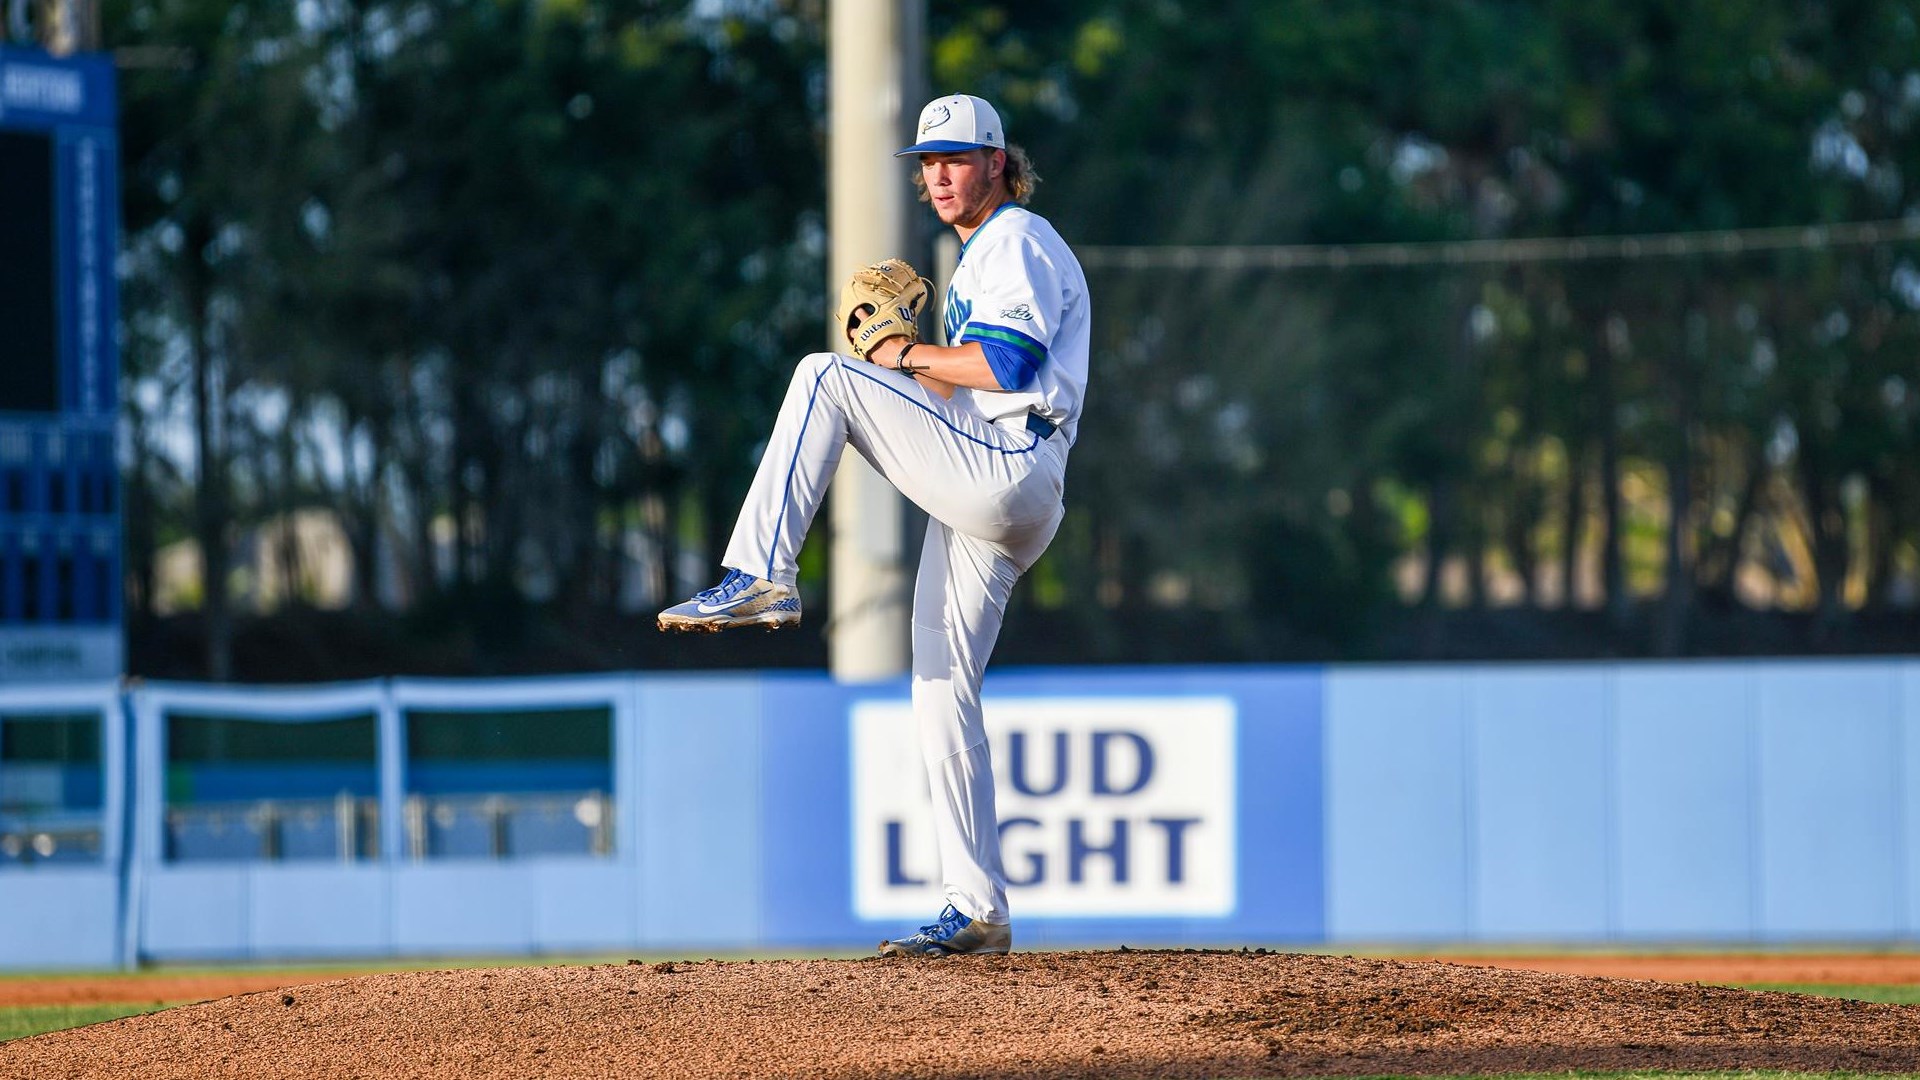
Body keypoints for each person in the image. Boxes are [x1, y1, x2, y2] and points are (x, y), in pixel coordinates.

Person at [659, 94, 1090, 957]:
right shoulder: (976, 262)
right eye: (927, 162)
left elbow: (1012, 364)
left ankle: (760, 572)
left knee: (824, 377)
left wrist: (898, 353)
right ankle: (978, 909)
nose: (937, 174)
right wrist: (913, 360)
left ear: (998, 164)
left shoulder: (1017, 239)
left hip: (1012, 466)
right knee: (939, 690)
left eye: (957, 159)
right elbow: (961, 387)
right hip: (990, 479)